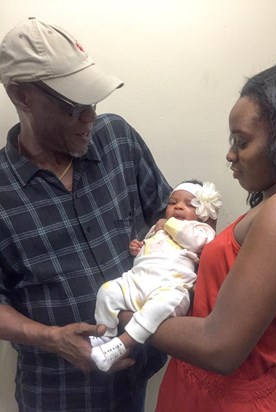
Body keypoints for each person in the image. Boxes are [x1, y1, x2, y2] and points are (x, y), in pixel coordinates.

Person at [0, 17, 172, 412]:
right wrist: (49, 337)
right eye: (73, 106)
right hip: (60, 394)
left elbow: (170, 215)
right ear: (21, 96)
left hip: (136, 377)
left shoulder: (117, 139)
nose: (90, 118)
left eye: (92, 102)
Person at [149, 62, 276, 411]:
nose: (230, 154)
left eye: (242, 141)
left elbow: (219, 348)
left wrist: (129, 318)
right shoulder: (269, 203)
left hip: (231, 399)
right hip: (191, 382)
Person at [90, 180, 222, 372]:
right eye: (172, 202)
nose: (178, 206)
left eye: (189, 204)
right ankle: (105, 335)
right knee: (107, 291)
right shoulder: (158, 228)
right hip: (138, 281)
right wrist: (139, 248)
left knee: (158, 308)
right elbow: (150, 248)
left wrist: (170, 224)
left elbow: (194, 240)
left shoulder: (201, 230)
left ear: (202, 212)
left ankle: (122, 344)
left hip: (170, 287)